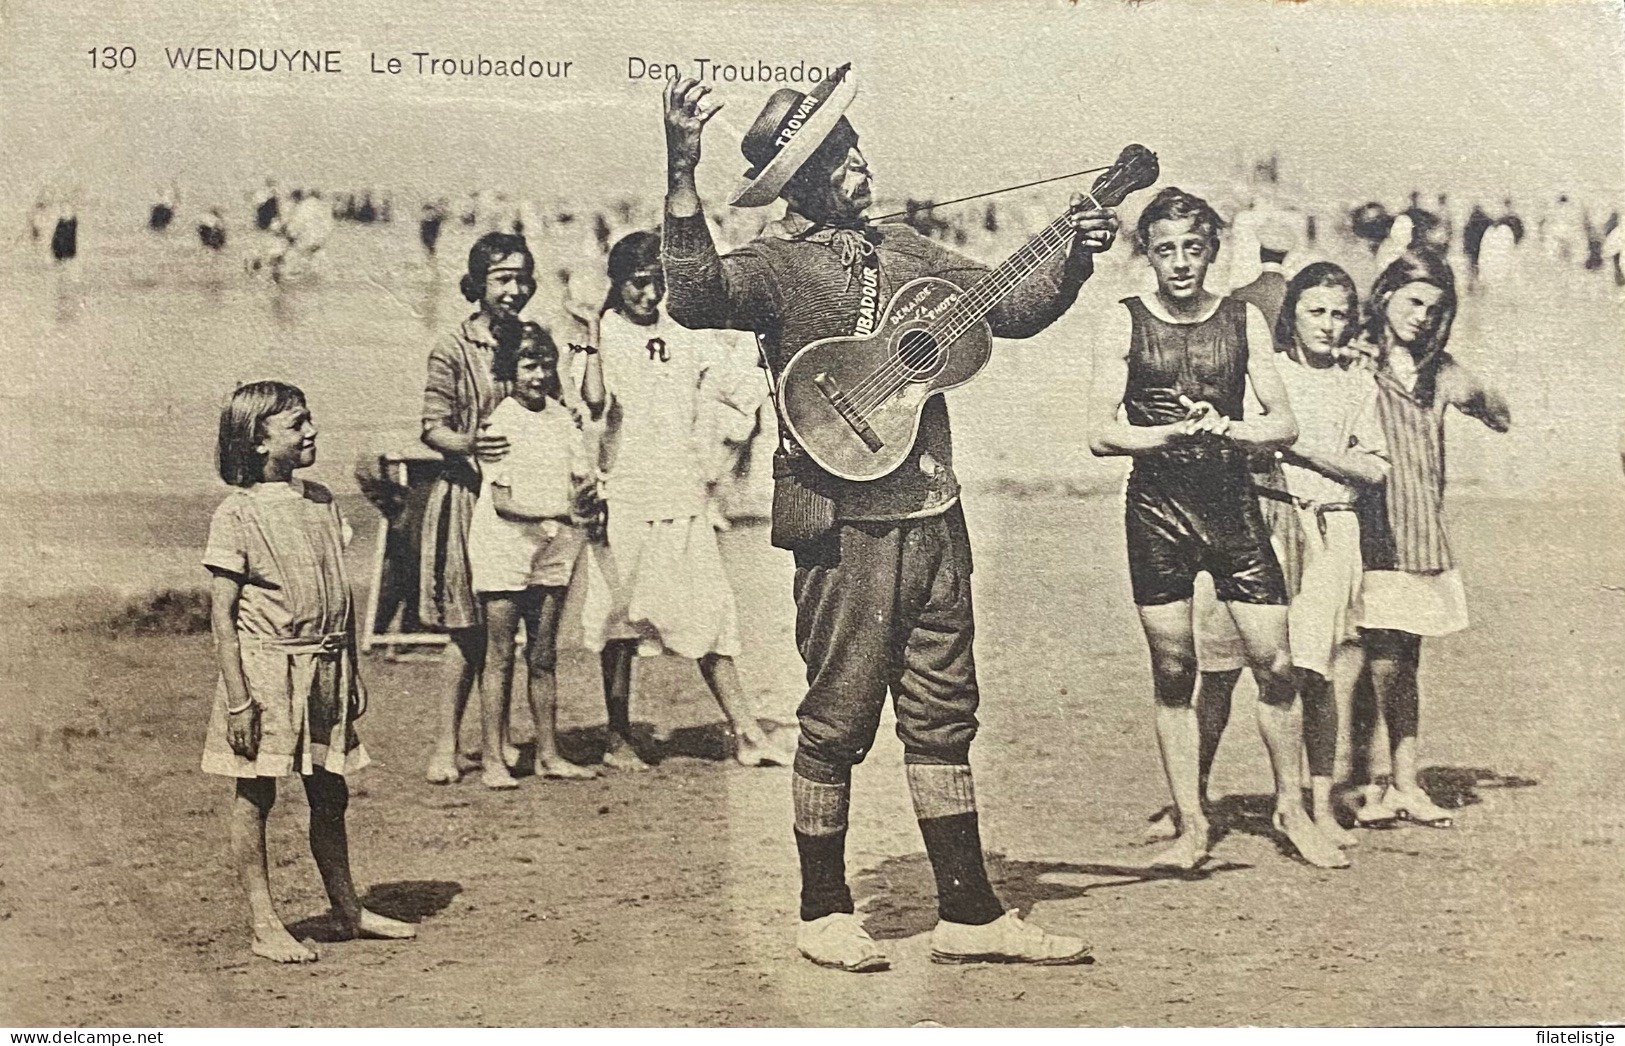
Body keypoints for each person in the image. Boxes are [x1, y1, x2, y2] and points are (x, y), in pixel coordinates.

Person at [661, 69, 1119, 970]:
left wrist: (1076, 246)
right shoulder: (775, 266)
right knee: (836, 718)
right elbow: (693, 296)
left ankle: (970, 915)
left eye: (856, 145)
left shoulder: (904, 248)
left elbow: (1012, 307)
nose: (861, 163)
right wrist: (680, 172)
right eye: (840, 154)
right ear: (800, 179)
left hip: (933, 510)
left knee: (945, 715)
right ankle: (822, 909)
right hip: (841, 521)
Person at [1087, 186, 1347, 872]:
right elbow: (1100, 433)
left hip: (1232, 508)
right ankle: (1191, 824)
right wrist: (1167, 430)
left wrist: (1229, 427)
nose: (1178, 263)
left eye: (1191, 249)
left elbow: (1283, 422)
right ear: (1147, 253)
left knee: (1278, 665)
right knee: (1174, 671)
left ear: (1211, 252)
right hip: (1157, 512)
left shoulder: (1242, 320)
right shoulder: (1123, 322)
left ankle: (1290, 810)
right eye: (1165, 249)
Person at [203, 381, 416, 963]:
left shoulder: (321, 500)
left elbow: (337, 592)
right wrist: (241, 702)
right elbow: (222, 618)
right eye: (296, 424)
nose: (311, 432)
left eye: (309, 420)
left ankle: (347, 908)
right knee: (257, 794)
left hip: (326, 668)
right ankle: (264, 922)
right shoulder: (238, 513)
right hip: (265, 674)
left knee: (331, 789)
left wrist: (351, 670)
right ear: (256, 439)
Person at [579, 230, 790, 771]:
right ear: (617, 284)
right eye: (637, 285)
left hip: (681, 494)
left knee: (713, 612)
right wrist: (588, 336)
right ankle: (617, 737)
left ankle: (745, 731)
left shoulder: (685, 333)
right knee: (619, 624)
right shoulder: (599, 334)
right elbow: (591, 405)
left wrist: (780, 369)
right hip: (622, 496)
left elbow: (738, 385)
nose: (648, 297)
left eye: (657, 285)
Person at [1352, 249, 1511, 826]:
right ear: (1386, 294)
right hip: (1365, 528)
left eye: (1433, 308)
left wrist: (1480, 395)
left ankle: (1401, 782)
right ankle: (1364, 780)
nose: (1419, 315)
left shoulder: (1438, 371)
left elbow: (1500, 414)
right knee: (1376, 660)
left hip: (1418, 531)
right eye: (1412, 300)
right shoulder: (1357, 358)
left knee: (1401, 661)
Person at [421, 232, 534, 784]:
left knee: (505, 628)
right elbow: (431, 428)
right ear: (478, 284)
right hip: (466, 500)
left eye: (521, 278)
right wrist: (470, 444)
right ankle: (446, 745)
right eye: (503, 278)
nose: (514, 289)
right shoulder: (452, 347)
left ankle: (500, 736)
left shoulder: (529, 340)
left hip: (518, 504)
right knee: (464, 628)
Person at [468, 324, 599, 789]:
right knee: (500, 655)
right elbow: (503, 504)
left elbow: (581, 478)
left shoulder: (562, 418)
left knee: (543, 655)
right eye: (529, 365)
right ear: (510, 370)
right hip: (504, 546)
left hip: (553, 543)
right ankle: (492, 762)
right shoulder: (500, 422)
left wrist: (589, 501)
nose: (539, 375)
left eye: (545, 365)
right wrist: (564, 511)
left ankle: (548, 754)